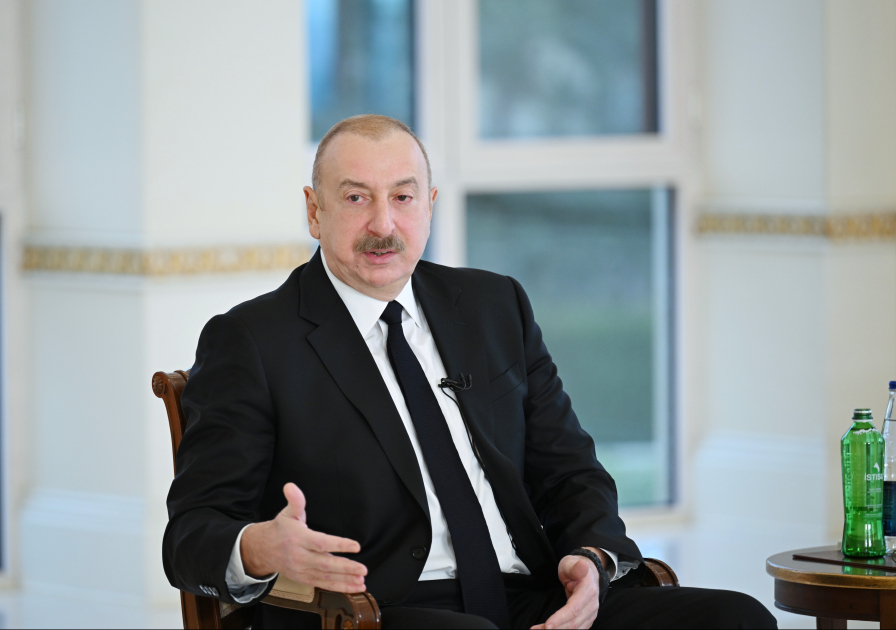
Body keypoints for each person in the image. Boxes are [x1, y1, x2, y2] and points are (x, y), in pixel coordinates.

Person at [163, 114, 776, 629]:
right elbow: (189, 536)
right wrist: (258, 548)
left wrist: (591, 557)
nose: (383, 225)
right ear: (314, 211)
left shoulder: (493, 305)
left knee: (736, 619)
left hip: (530, 597)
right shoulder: (252, 340)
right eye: (356, 198)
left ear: (428, 206)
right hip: (372, 612)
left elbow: (571, 471)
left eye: (403, 197)